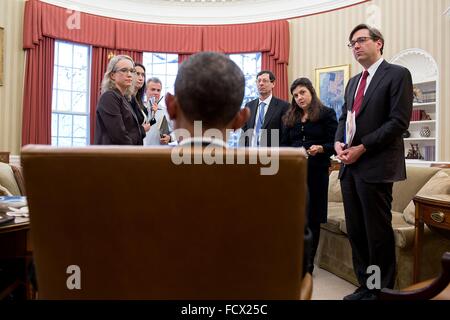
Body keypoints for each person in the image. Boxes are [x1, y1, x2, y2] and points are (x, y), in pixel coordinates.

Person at [165, 52, 312, 277]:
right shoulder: (287, 179)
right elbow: (296, 274)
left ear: (170, 106)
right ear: (241, 119)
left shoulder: (126, 179)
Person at [335, 24, 413, 300]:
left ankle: (380, 290)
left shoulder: (398, 75)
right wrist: (338, 143)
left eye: (361, 40)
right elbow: (344, 119)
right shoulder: (353, 82)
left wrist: (362, 147)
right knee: (357, 233)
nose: (355, 46)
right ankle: (366, 285)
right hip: (349, 168)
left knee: (376, 235)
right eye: (352, 43)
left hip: (376, 166)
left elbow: (398, 122)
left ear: (379, 43)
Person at [281, 77, 337, 274]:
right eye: (295, 95)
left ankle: (307, 265)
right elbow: (283, 145)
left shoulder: (327, 114)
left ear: (311, 92)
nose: (299, 98)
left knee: (313, 218)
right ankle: (292, 261)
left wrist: (321, 148)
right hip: (294, 174)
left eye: (302, 93)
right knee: (293, 218)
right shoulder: (289, 117)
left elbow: (335, 143)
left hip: (316, 173)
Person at [94, 55, 144, 145]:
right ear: (112, 75)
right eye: (124, 70)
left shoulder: (125, 98)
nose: (129, 74)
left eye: (132, 71)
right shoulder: (109, 97)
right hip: (115, 156)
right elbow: (120, 137)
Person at [240, 70, 289, 147]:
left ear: (273, 84)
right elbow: (244, 133)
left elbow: (285, 136)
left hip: (272, 155)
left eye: (265, 81)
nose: (261, 83)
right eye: (258, 81)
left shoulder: (283, 106)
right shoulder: (249, 105)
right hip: (250, 154)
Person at [143, 77, 173, 146]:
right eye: (153, 89)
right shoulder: (139, 110)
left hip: (159, 153)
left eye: (158, 90)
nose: (156, 93)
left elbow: (178, 130)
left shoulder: (166, 112)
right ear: (145, 91)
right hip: (140, 152)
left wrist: (170, 138)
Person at [130, 63, 151, 137]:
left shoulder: (139, 100)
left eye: (143, 75)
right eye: (137, 74)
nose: (141, 78)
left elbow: (148, 123)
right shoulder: (126, 98)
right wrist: (142, 130)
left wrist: (153, 112)